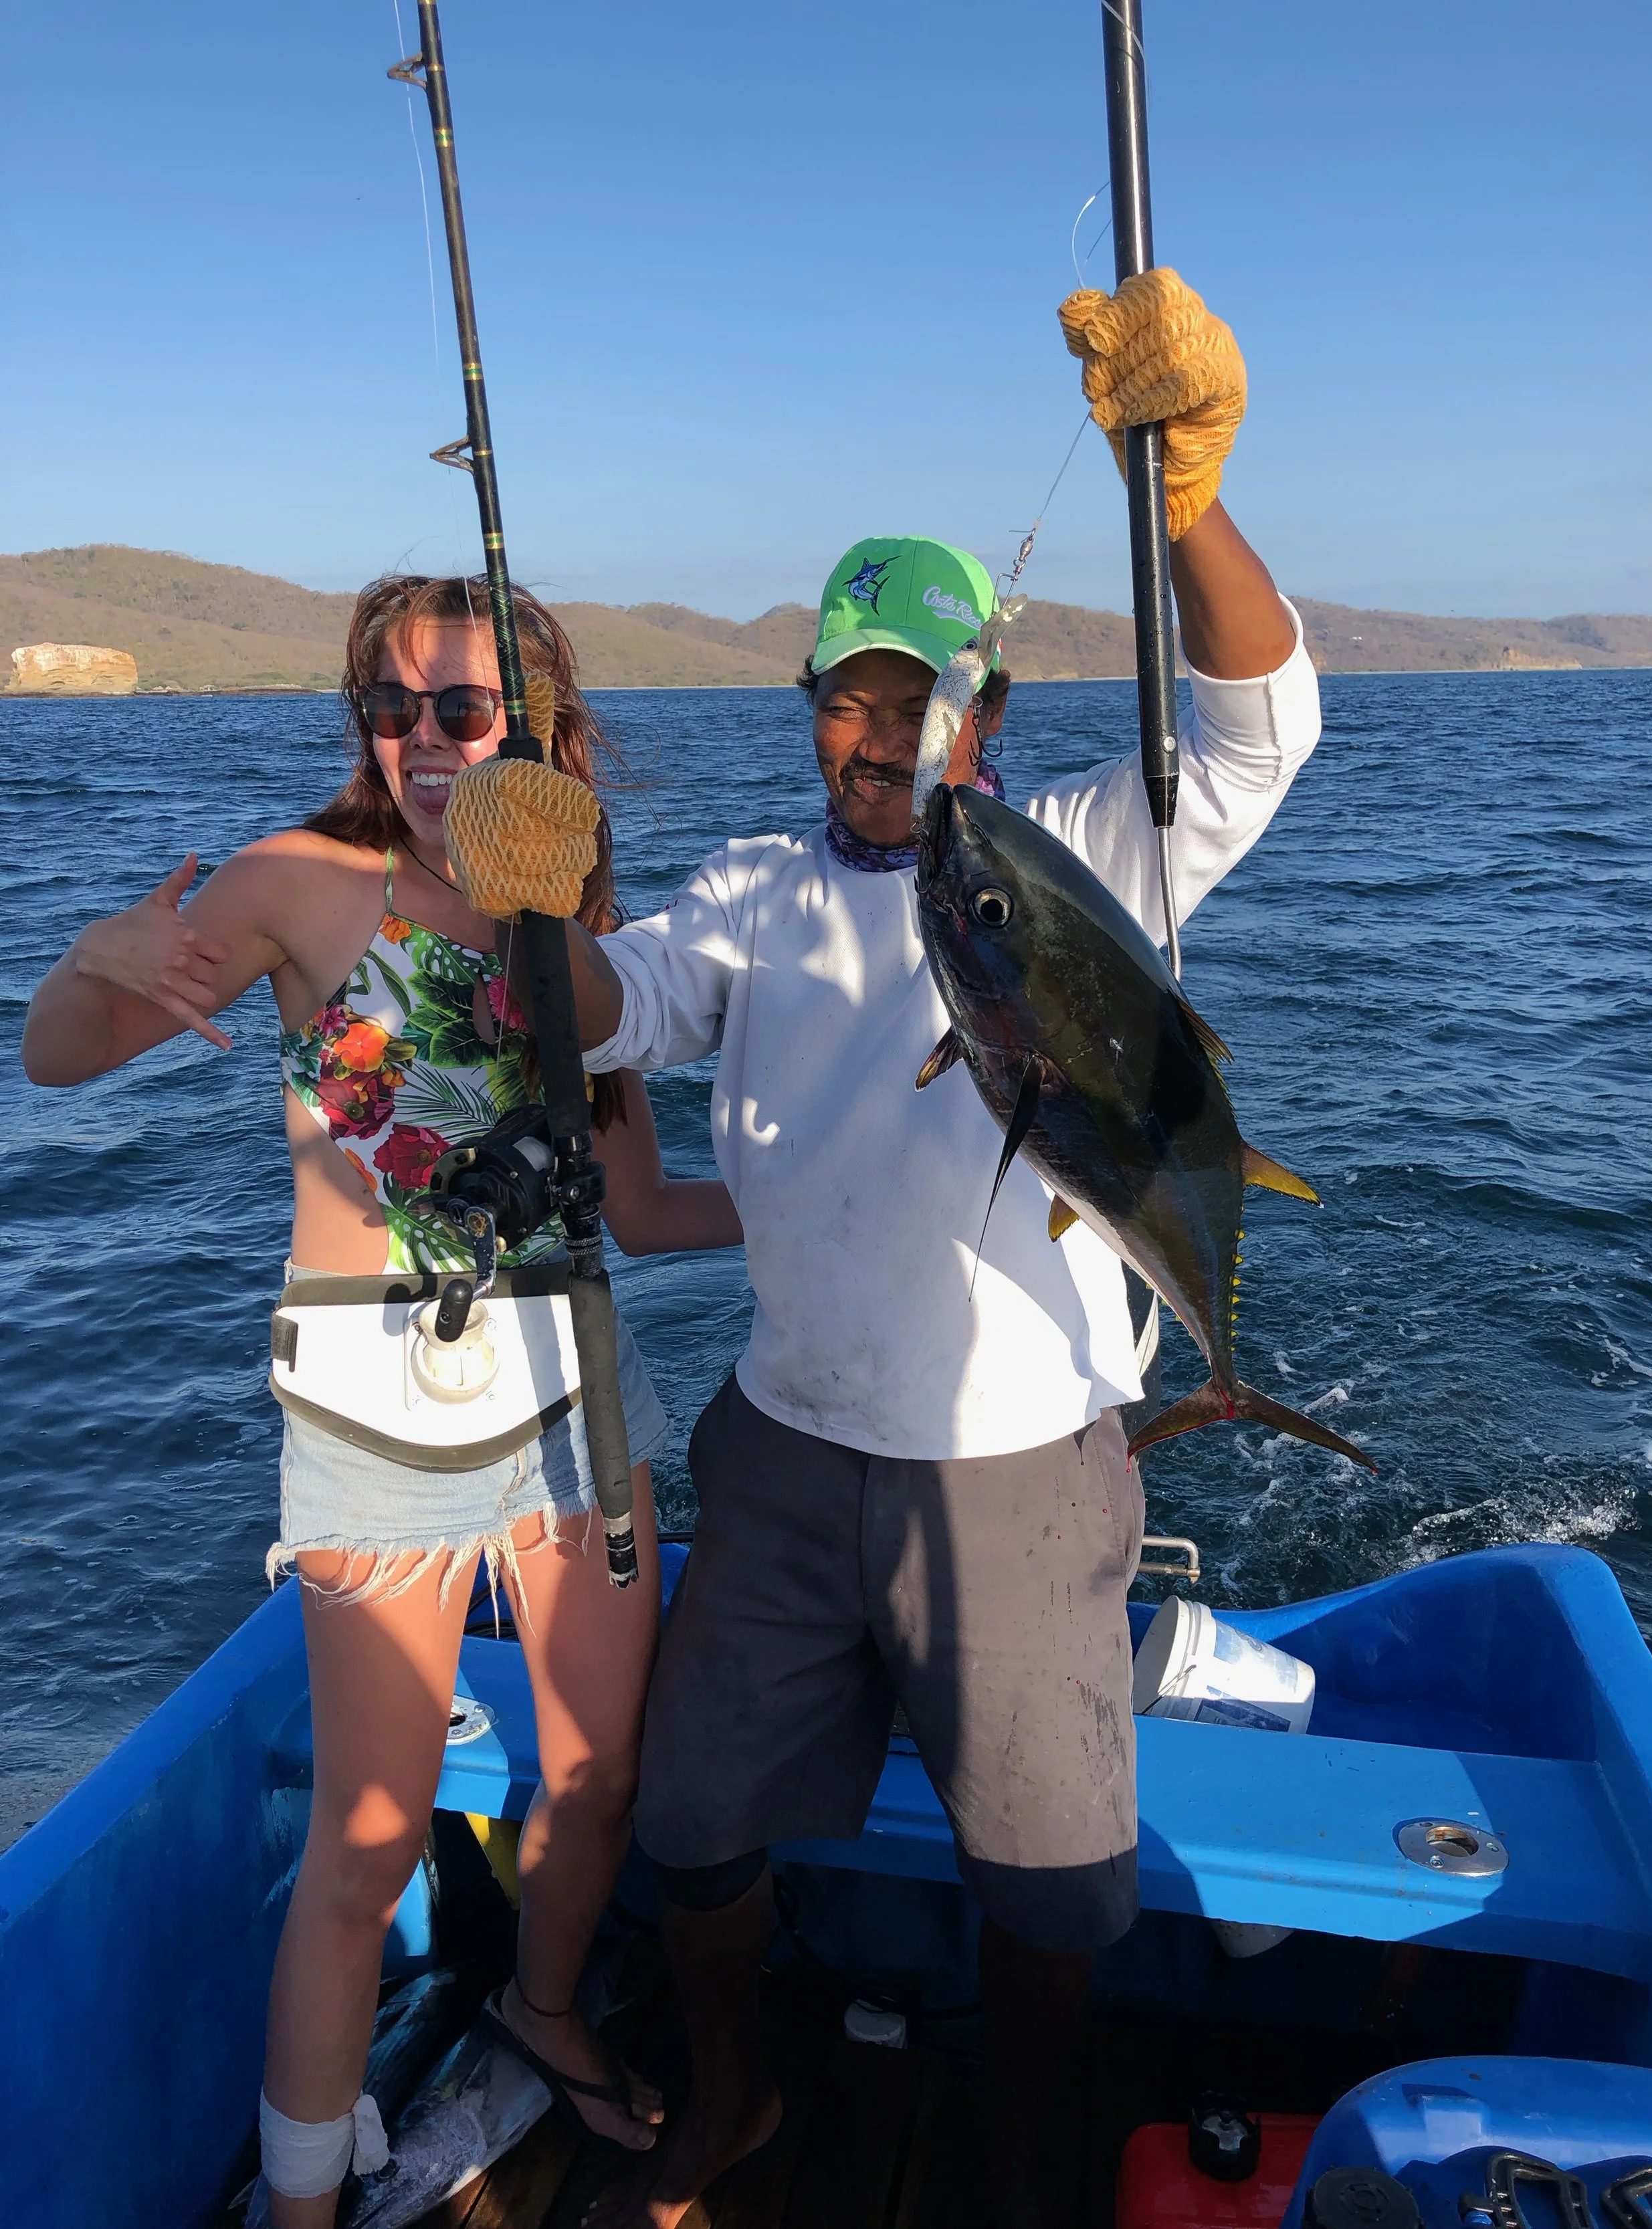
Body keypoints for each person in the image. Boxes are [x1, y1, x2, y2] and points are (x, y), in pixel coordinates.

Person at [449, 271, 1319, 2229]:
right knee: (691, 1826)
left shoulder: (1080, 849)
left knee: (1050, 1887)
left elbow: (1262, 730)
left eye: (915, 700)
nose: (875, 734)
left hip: (1018, 1469)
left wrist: (1184, 501)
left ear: (983, 715)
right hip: (783, 1451)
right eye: (846, 698)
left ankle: (1013, 2156)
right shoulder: (750, 891)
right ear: (811, 712)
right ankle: (735, 2100)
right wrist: (525, 910)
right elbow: (607, 1007)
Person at [21, 574, 743, 2228]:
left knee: (600, 1776)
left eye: (465, 709)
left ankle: (541, 2009)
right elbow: (60, 1056)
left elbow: (638, 1208)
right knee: (363, 1840)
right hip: (370, 1412)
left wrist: (826, 1207)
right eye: (393, 706)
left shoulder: (571, 921)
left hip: (575, 1390)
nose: (425, 740)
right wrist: (91, 957)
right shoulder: (297, 881)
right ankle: (299, 2203)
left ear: (533, 728)